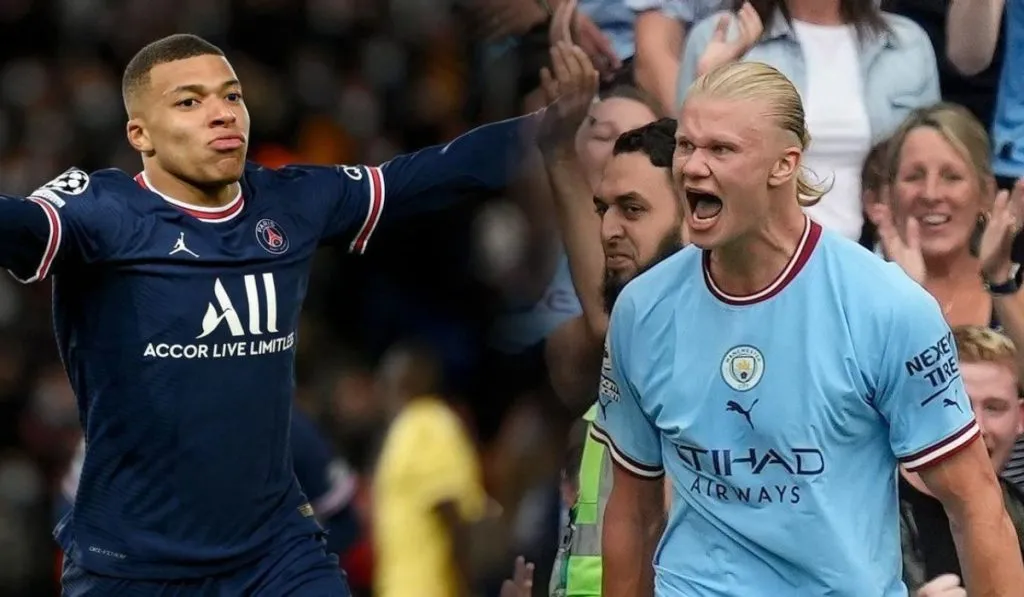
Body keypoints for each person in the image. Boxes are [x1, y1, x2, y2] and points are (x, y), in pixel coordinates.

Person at [0, 33, 573, 596]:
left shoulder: (289, 200)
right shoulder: (102, 212)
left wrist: (552, 124)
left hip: (274, 554)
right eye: (190, 101)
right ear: (139, 134)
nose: (222, 114)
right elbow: (22, 227)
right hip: (135, 566)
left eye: (232, 96)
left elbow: (424, 177)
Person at [594, 60, 1024, 596]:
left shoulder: (885, 305)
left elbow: (977, 506)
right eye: (686, 146)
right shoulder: (642, 308)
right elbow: (632, 514)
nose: (692, 168)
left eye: (721, 150)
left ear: (784, 164)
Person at [677, 0, 939, 242]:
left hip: (882, 251)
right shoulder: (720, 35)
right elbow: (686, 158)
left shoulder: (907, 41)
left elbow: (929, 158)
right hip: (762, 248)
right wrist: (711, 76)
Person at [899, 325, 1024, 593]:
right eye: (959, 404)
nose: (976, 427)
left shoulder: (1020, 515)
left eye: (994, 408)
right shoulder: (862, 515)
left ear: (1021, 418)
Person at [371, 340, 488, 597]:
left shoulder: (429, 424)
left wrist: (467, 587)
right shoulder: (407, 427)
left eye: (387, 380)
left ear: (408, 381)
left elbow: (451, 512)